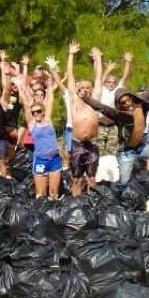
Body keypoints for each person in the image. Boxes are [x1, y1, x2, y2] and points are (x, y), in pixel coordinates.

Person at [82, 72, 149, 198]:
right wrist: (86, 98)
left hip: (142, 148)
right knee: (123, 182)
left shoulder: (141, 105)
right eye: (122, 103)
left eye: (127, 100)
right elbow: (101, 107)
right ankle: (112, 198)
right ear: (119, 105)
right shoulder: (120, 115)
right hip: (127, 152)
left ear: (132, 99)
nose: (126, 104)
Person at [49, 42, 103, 195]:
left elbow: (98, 77)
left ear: (91, 89)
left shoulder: (95, 99)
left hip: (92, 143)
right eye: (82, 87)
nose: (85, 90)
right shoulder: (74, 100)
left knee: (92, 177)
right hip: (77, 143)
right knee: (76, 178)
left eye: (88, 87)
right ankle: (75, 204)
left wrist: (97, 59)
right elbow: (70, 76)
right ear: (78, 89)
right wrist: (71, 55)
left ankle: (92, 202)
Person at [20, 57, 62, 198]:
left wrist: (51, 69)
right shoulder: (32, 124)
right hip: (41, 160)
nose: (36, 113)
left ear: (43, 111)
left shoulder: (48, 120)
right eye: (34, 112)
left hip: (55, 159)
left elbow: (50, 96)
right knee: (40, 194)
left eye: (38, 111)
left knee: (54, 193)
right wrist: (20, 85)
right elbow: (26, 102)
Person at [96, 51, 133, 152]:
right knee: (99, 149)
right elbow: (100, 78)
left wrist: (127, 62)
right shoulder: (101, 89)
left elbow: (124, 77)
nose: (111, 84)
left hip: (113, 124)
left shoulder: (117, 90)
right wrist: (107, 70)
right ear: (105, 82)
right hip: (100, 123)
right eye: (109, 81)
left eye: (114, 82)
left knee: (113, 149)